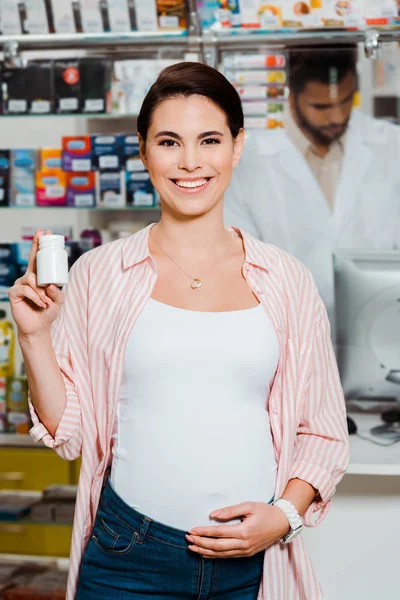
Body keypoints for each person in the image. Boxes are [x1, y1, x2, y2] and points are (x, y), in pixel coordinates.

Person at [8, 62, 349, 600]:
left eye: (209, 140)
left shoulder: (286, 279)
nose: (190, 162)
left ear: (237, 147)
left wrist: (283, 516)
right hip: (128, 559)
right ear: (144, 152)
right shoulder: (99, 273)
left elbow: (324, 430)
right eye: (169, 142)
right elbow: (68, 432)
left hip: (252, 562)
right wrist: (34, 337)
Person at [224, 44, 400, 326]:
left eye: (346, 101)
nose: (337, 117)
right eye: (321, 106)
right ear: (291, 95)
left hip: (382, 327)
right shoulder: (248, 162)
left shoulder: (392, 145)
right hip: (286, 332)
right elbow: (237, 266)